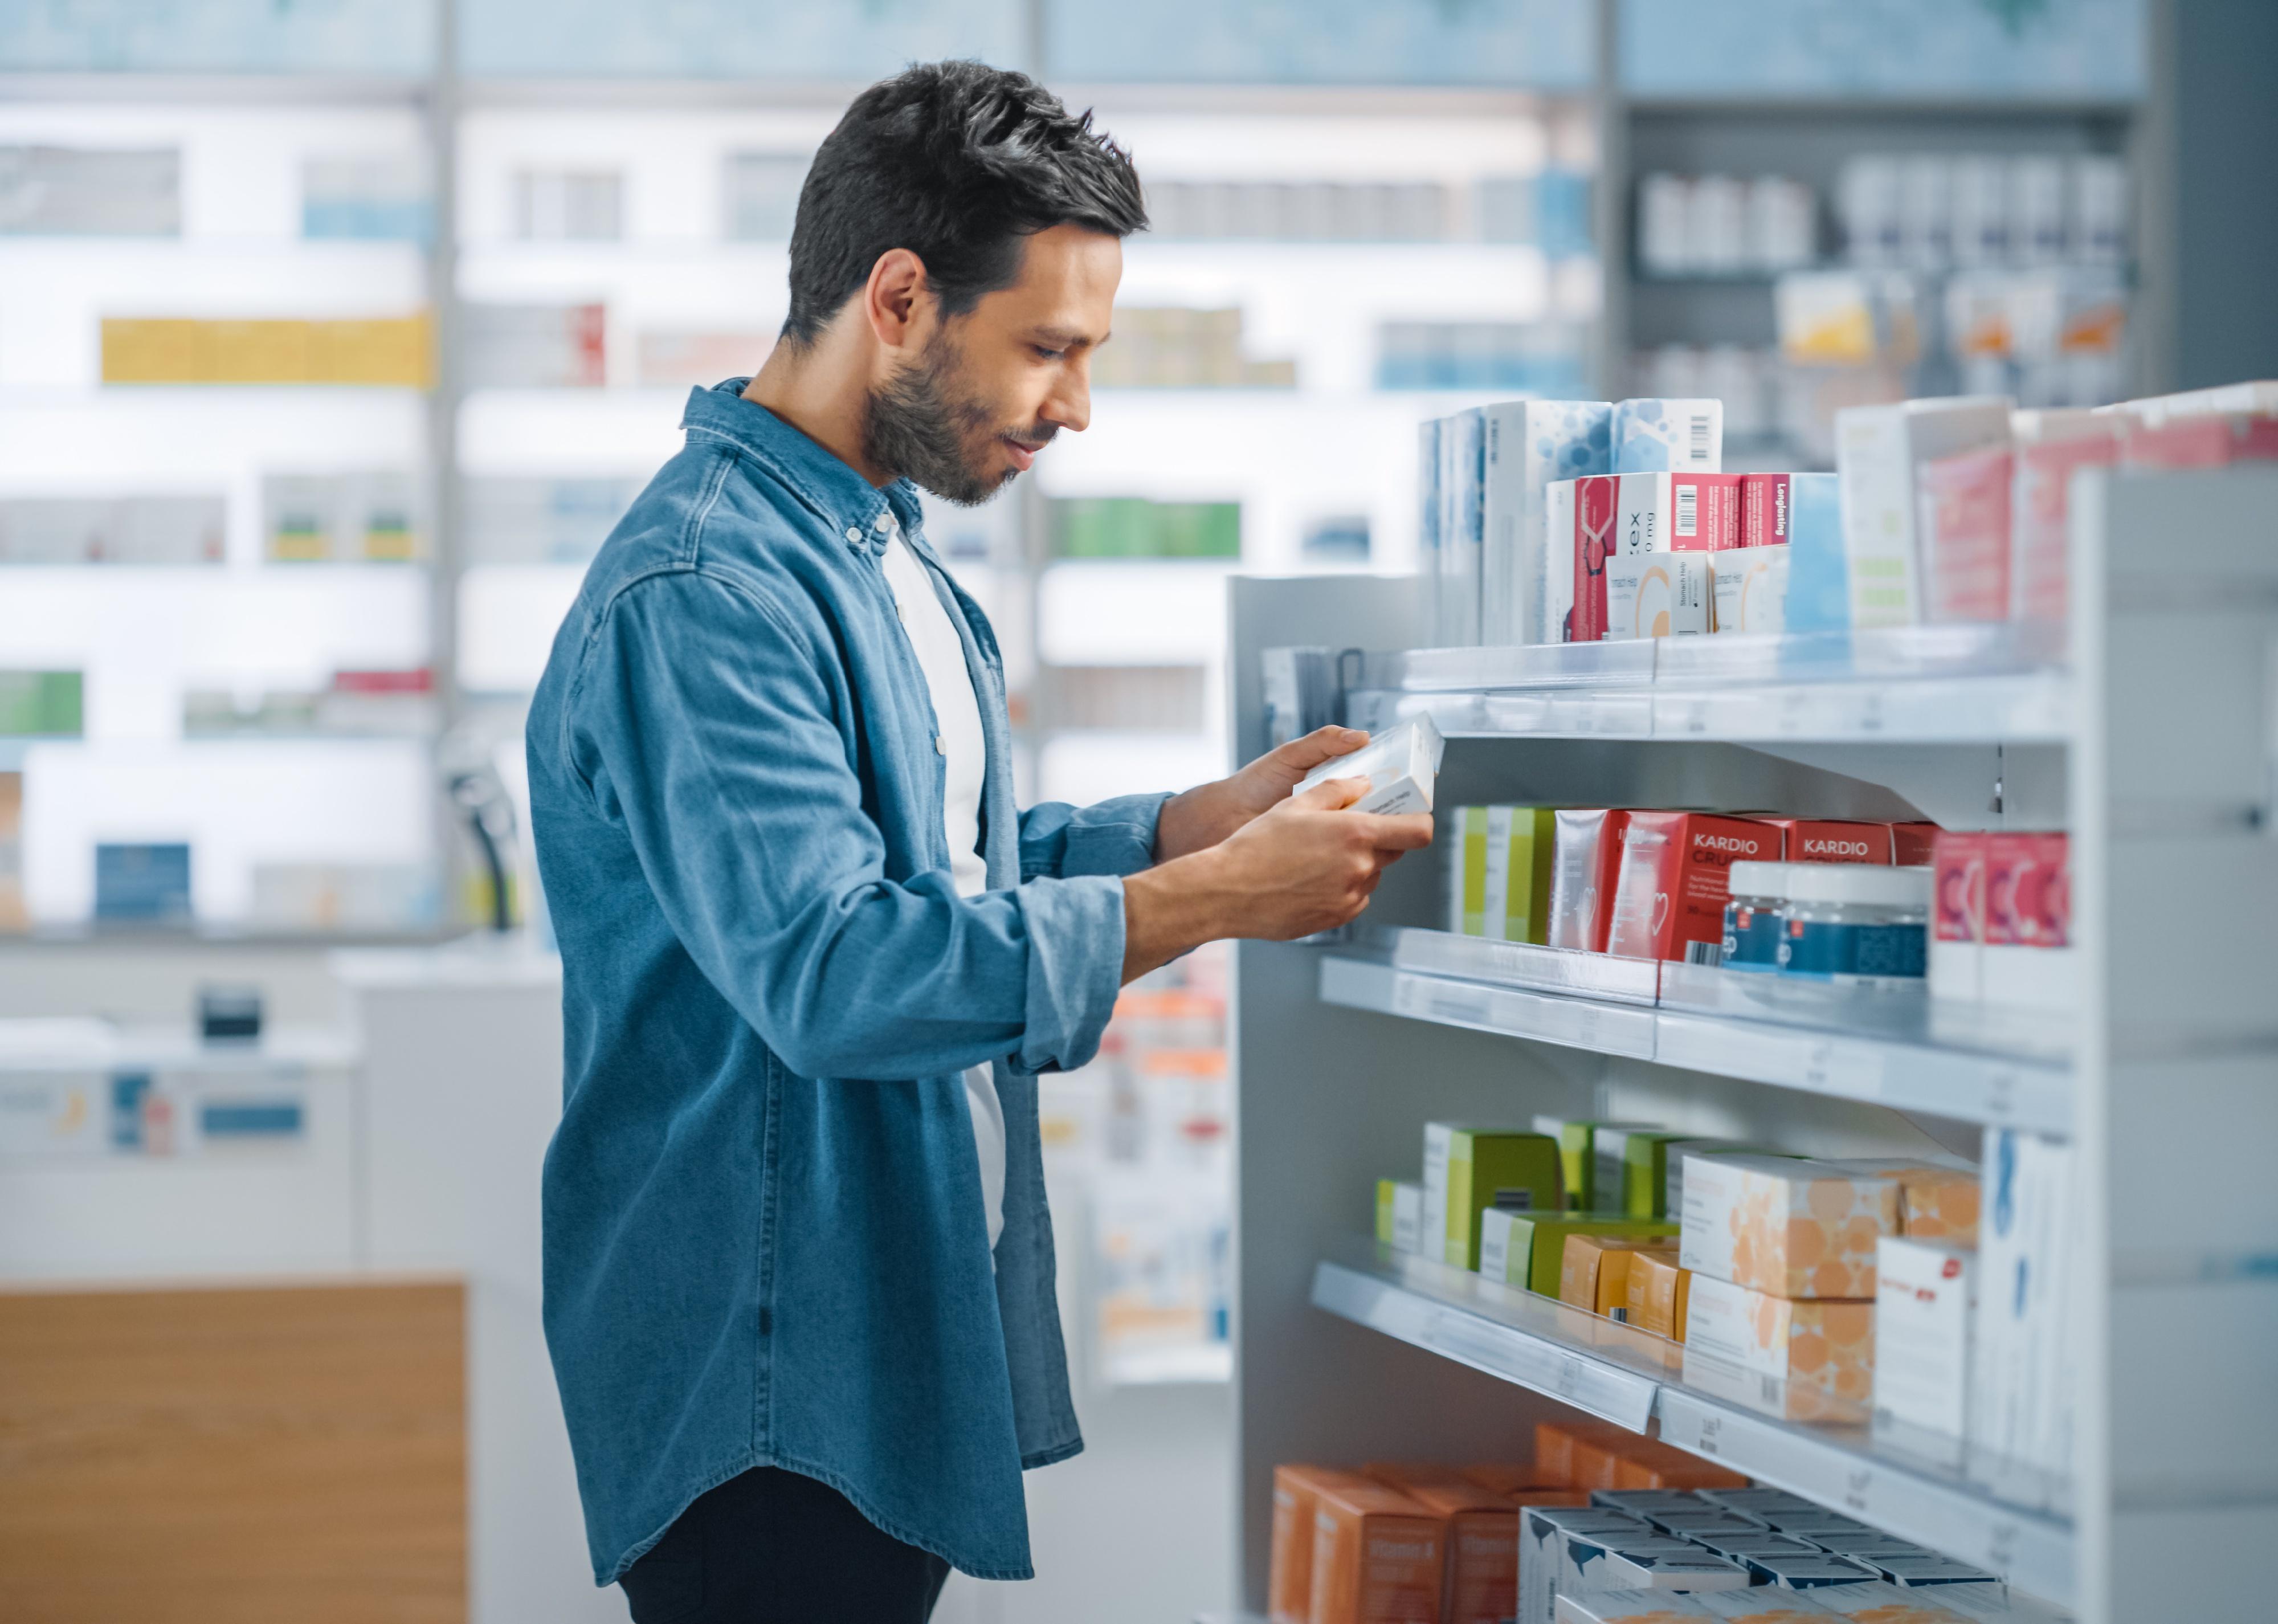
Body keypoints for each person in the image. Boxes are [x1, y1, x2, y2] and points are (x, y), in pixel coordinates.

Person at [525, 60, 1431, 1623]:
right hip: (769, 1367)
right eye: (1048, 349)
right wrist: (1204, 898)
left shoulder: (878, 551)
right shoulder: (707, 594)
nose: (1074, 404)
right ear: (897, 299)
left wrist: (1180, 824)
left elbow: (937, 863)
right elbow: (834, 966)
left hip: (873, 1315)